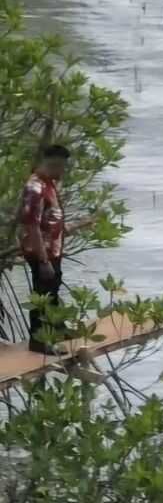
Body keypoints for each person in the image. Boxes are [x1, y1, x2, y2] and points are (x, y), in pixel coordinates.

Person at [19, 145, 93, 353]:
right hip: (40, 251)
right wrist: (43, 261)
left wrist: (81, 224)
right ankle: (38, 340)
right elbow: (31, 225)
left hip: (53, 250)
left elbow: (51, 221)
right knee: (42, 295)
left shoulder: (49, 184)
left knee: (52, 290)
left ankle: (58, 329)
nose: (64, 172)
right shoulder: (35, 187)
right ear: (55, 164)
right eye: (63, 167)